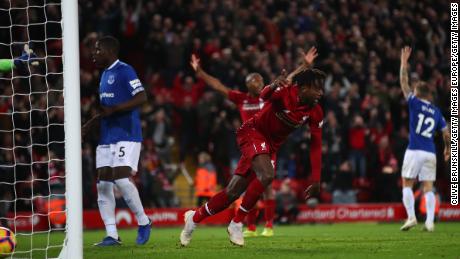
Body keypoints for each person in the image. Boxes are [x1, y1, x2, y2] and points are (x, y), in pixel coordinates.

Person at [180, 64, 325, 247]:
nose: (321, 93)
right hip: (252, 132)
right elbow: (265, 95)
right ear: (304, 88)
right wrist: (272, 86)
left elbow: (316, 145)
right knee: (267, 175)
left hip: (270, 146)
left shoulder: (316, 111)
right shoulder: (284, 93)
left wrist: (316, 179)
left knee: (232, 193)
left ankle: (193, 218)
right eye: (317, 88)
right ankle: (237, 223)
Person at [82, 36, 151, 246]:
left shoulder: (124, 70)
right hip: (106, 135)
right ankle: (112, 235)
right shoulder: (103, 74)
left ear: (110, 51)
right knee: (103, 184)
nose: (94, 53)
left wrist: (117, 109)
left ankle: (144, 221)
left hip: (127, 133)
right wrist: (92, 122)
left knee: (121, 179)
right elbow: (106, 110)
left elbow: (142, 97)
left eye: (98, 49)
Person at [398, 46, 450, 232]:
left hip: (414, 149)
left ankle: (411, 217)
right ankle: (429, 221)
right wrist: (447, 149)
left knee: (407, 183)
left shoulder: (414, 102)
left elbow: (403, 83)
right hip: (430, 152)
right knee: (428, 187)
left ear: (417, 92)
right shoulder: (437, 112)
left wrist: (404, 63)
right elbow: (446, 133)